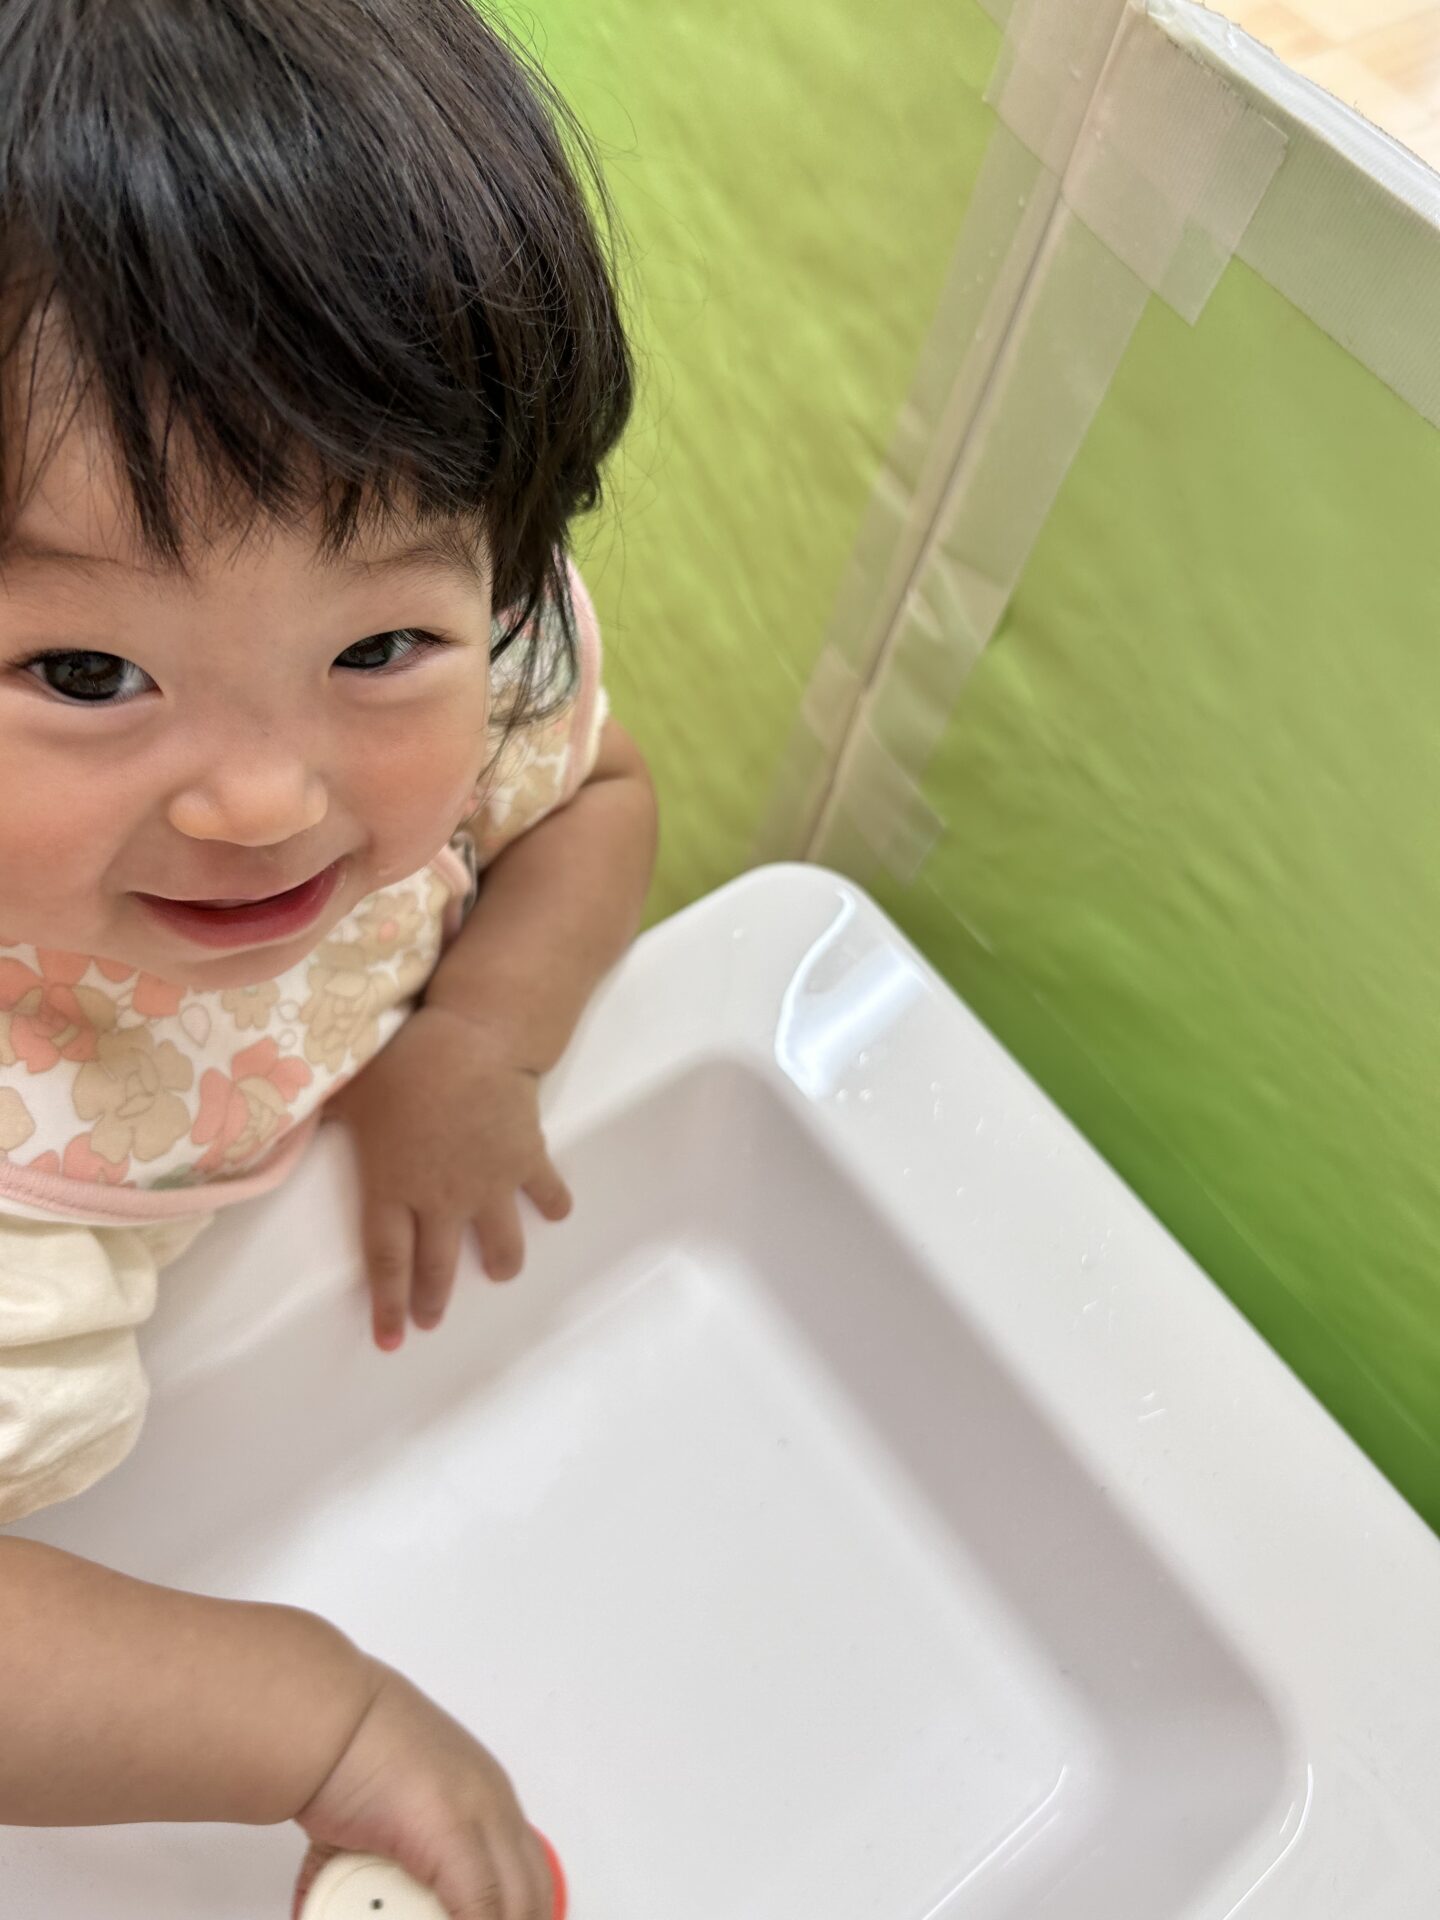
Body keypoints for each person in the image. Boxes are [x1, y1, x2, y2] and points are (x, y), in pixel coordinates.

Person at [0, 2, 656, 1914]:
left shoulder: (485, 666)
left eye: (378, 647)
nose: (265, 802)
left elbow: (599, 791)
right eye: (87, 672)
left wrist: (481, 1038)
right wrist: (321, 1723)